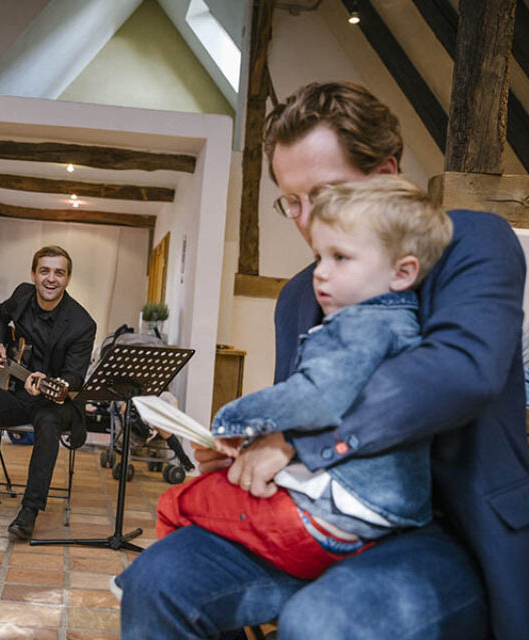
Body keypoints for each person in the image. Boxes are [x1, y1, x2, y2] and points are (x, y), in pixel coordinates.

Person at [118, 82, 529, 639]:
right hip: (327, 516)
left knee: (323, 621)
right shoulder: (298, 297)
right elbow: (304, 401)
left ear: (386, 174)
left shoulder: (471, 241)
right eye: (292, 201)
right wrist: (251, 449)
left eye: (326, 193)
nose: (308, 221)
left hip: (454, 530)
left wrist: (298, 445)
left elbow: (460, 368)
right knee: (157, 577)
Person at [157, 176, 452, 579]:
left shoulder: (359, 327)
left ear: (402, 273)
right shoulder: (402, 322)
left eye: (340, 258)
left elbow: (314, 398)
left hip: (335, 519)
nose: (321, 273)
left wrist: (232, 418)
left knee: (179, 501)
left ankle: (166, 584)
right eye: (320, 257)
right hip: (392, 513)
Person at [0, 245, 95, 540]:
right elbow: (0, 314)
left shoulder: (82, 323)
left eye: (59, 273)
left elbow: (74, 378)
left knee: (48, 423)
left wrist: (50, 381)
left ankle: (30, 510)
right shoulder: (23, 294)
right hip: (18, 389)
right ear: (34, 275)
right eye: (45, 271)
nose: (51, 279)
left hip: (56, 399)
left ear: (68, 278)